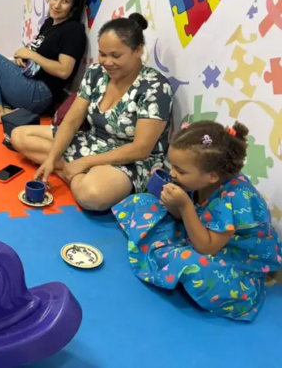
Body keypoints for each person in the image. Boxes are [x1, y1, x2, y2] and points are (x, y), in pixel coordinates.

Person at [113, 121, 282, 321]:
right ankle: (168, 258)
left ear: (212, 176)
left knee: (192, 264)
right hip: (197, 232)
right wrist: (172, 202)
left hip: (233, 258)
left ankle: (166, 257)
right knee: (141, 202)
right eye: (172, 166)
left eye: (181, 171)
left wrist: (185, 205)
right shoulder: (201, 180)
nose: (173, 173)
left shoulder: (236, 197)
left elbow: (206, 248)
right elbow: (183, 217)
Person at [11, 13, 173, 211]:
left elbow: (141, 149)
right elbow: (71, 121)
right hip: (93, 142)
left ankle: (71, 173)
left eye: (116, 56)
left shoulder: (155, 87)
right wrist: (52, 159)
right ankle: (72, 172)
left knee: (92, 195)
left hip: (131, 159)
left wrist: (85, 162)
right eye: (102, 54)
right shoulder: (96, 72)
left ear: (138, 50)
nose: (107, 62)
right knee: (19, 136)